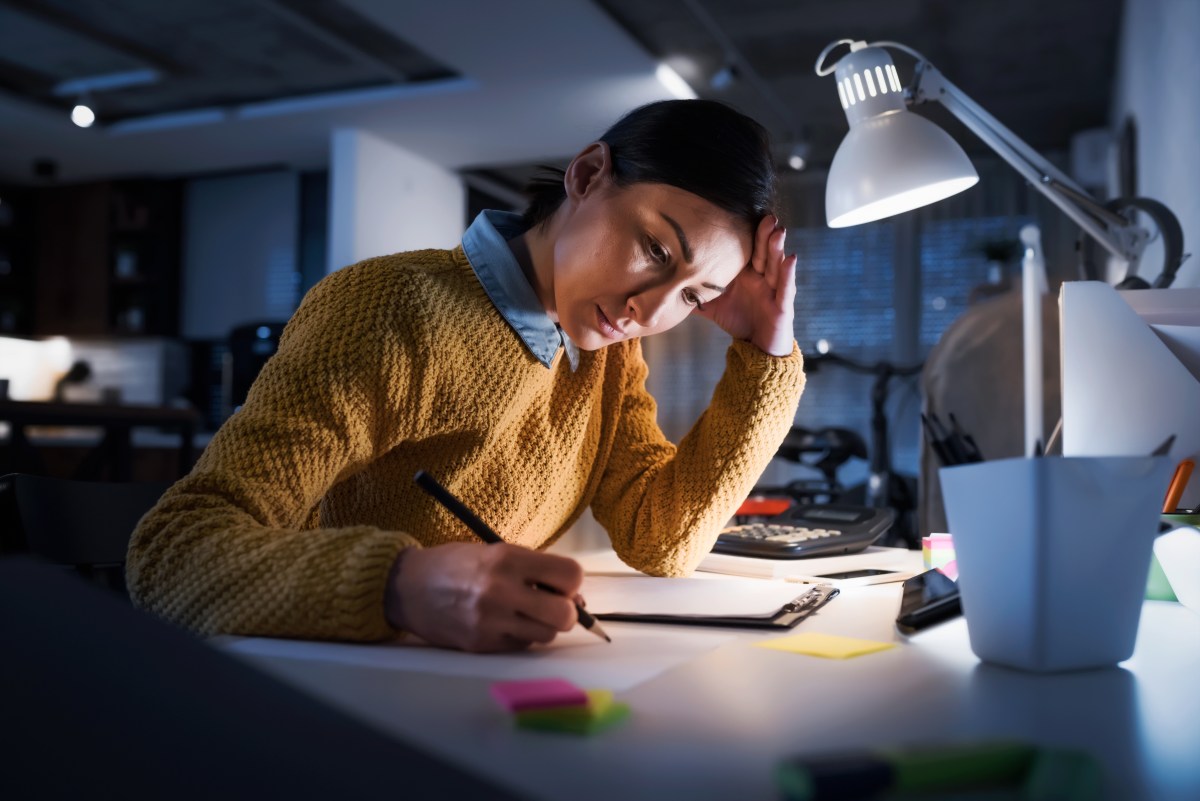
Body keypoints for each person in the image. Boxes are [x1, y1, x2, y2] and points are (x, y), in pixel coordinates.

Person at [127, 99, 805, 652]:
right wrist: (400, 585)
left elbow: (662, 538)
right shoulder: (390, 309)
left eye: (693, 295)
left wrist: (765, 356)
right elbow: (171, 558)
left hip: (456, 700)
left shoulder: (604, 356)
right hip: (313, 697)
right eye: (656, 248)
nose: (650, 310)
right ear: (588, 174)